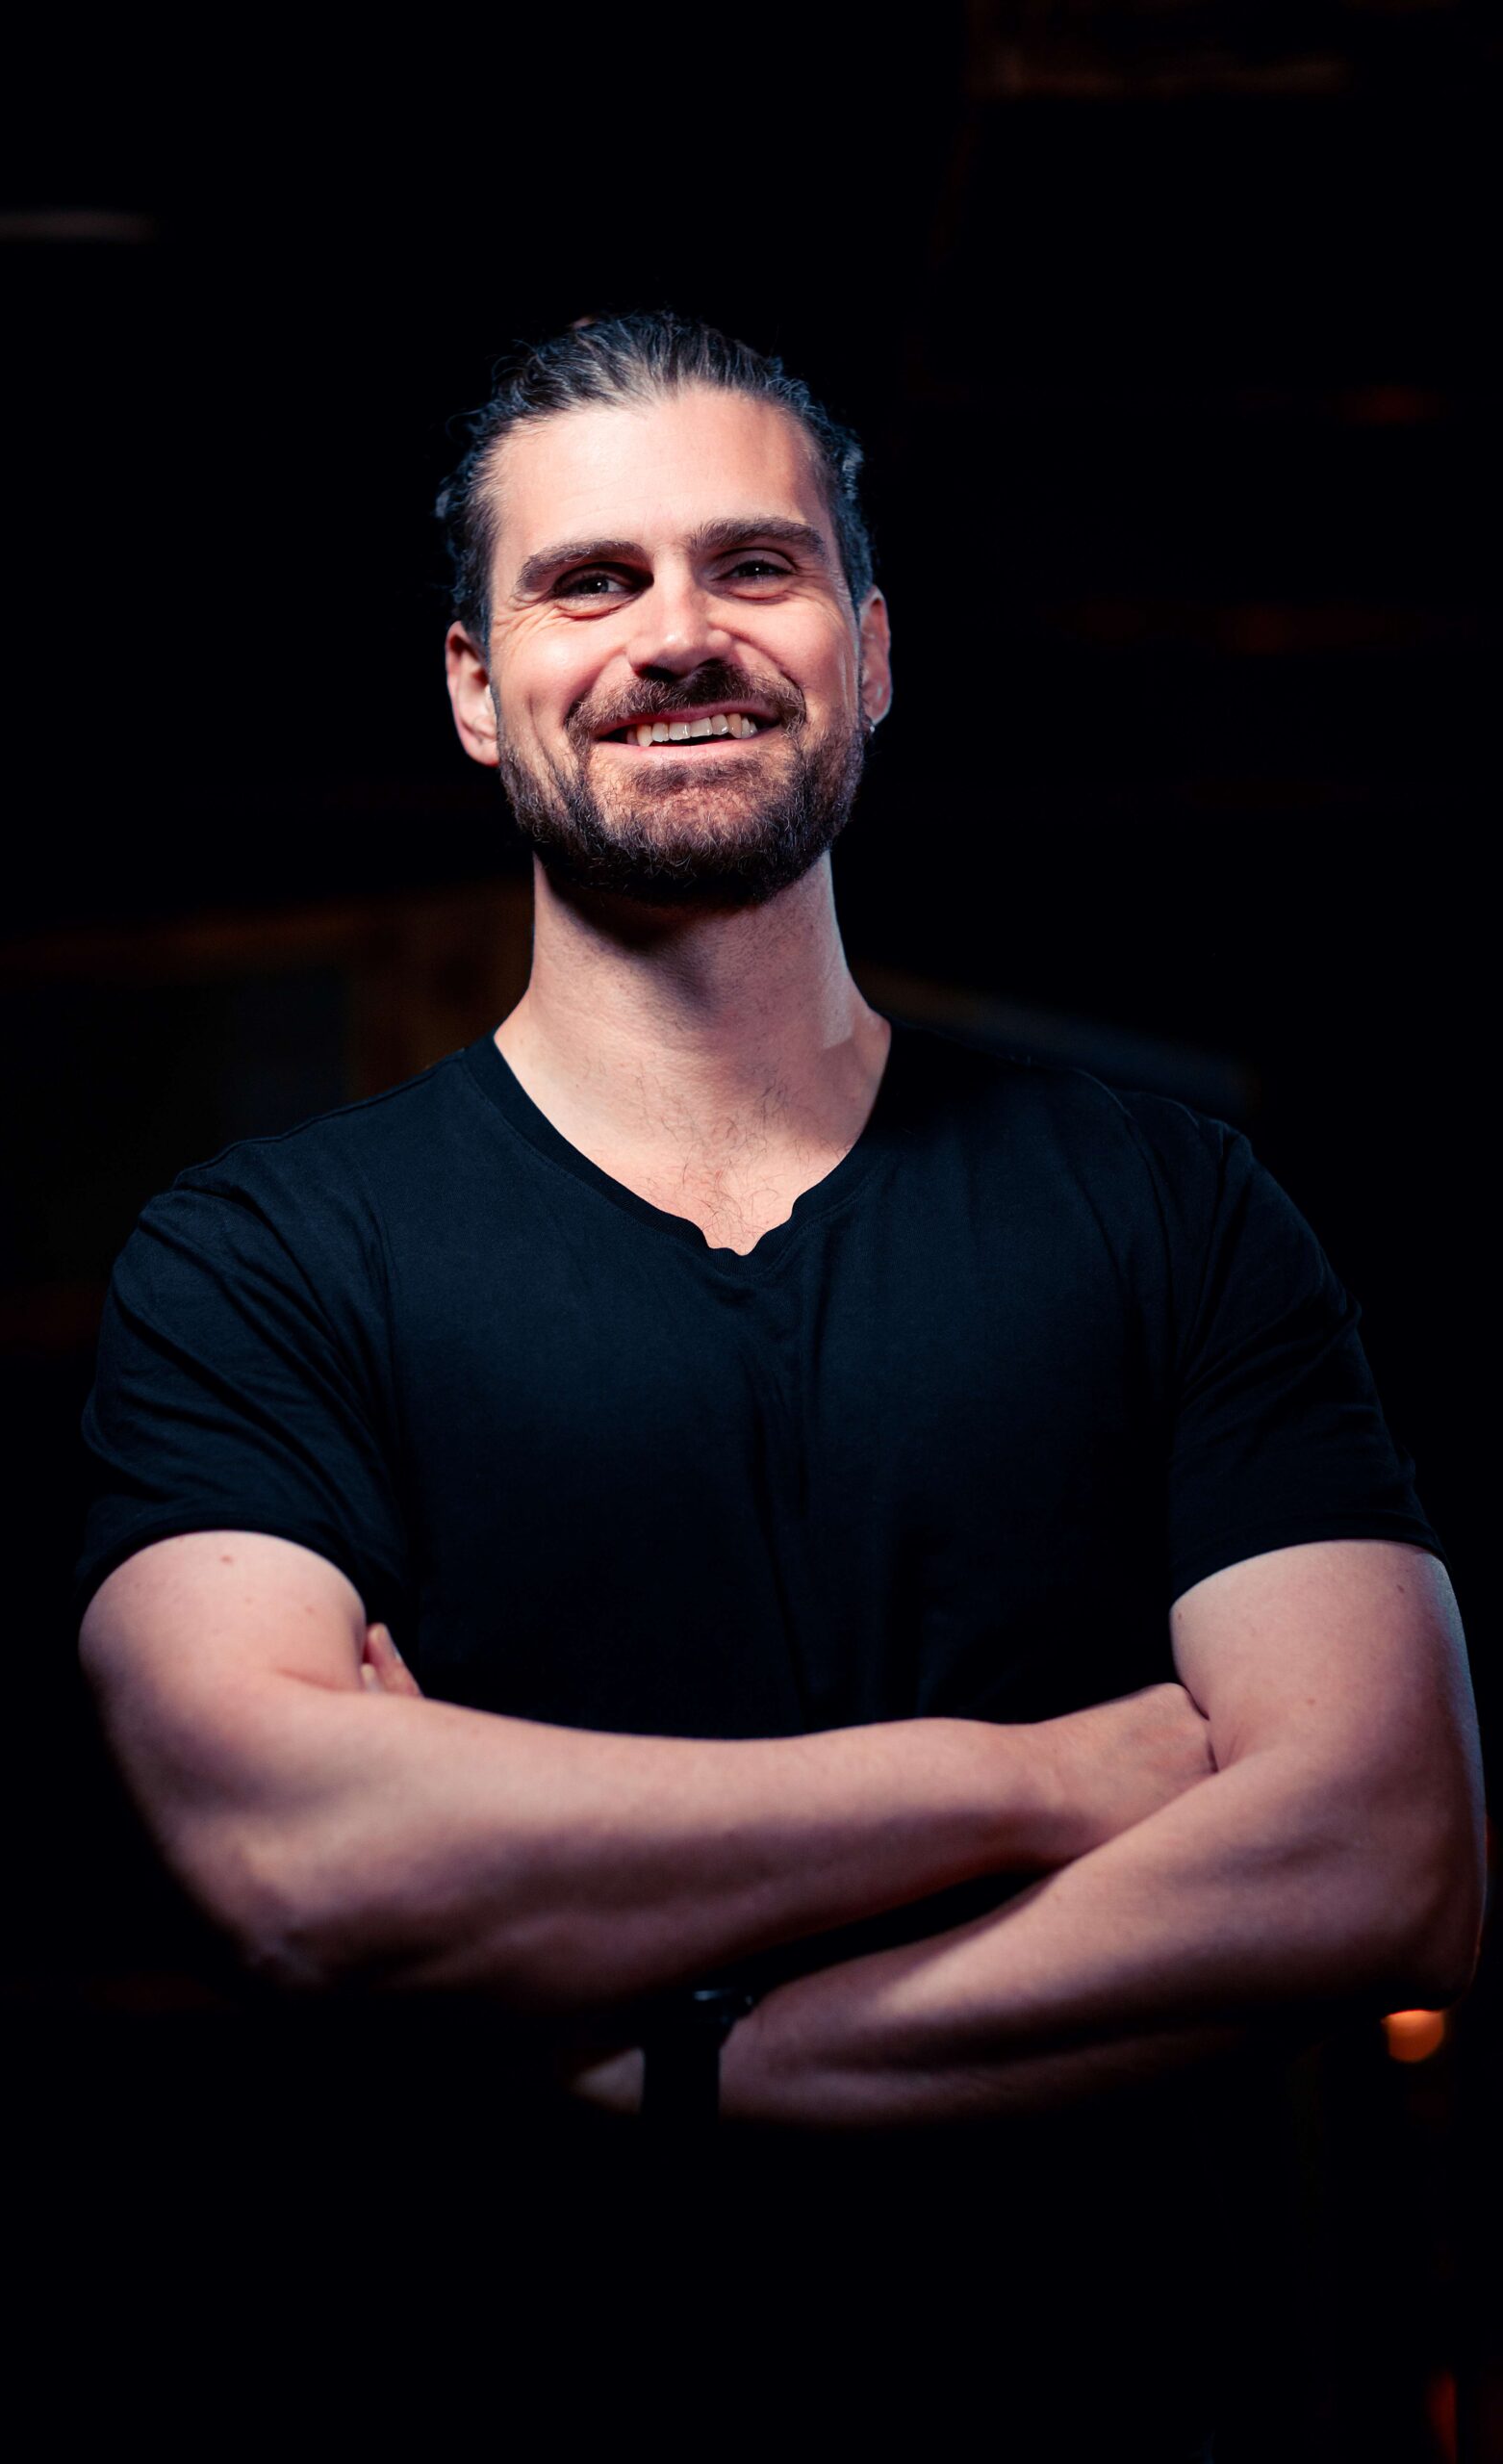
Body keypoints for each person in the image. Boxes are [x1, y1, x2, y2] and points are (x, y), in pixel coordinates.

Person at [75, 314, 1484, 2456]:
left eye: (755, 565)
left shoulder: (1168, 1205)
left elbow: (1385, 1852)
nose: (678, 635)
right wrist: (1041, 1778)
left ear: (871, 647)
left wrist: (708, 2061)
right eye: (588, 581)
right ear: (474, 688)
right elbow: (297, 1854)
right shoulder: (260, 1261)